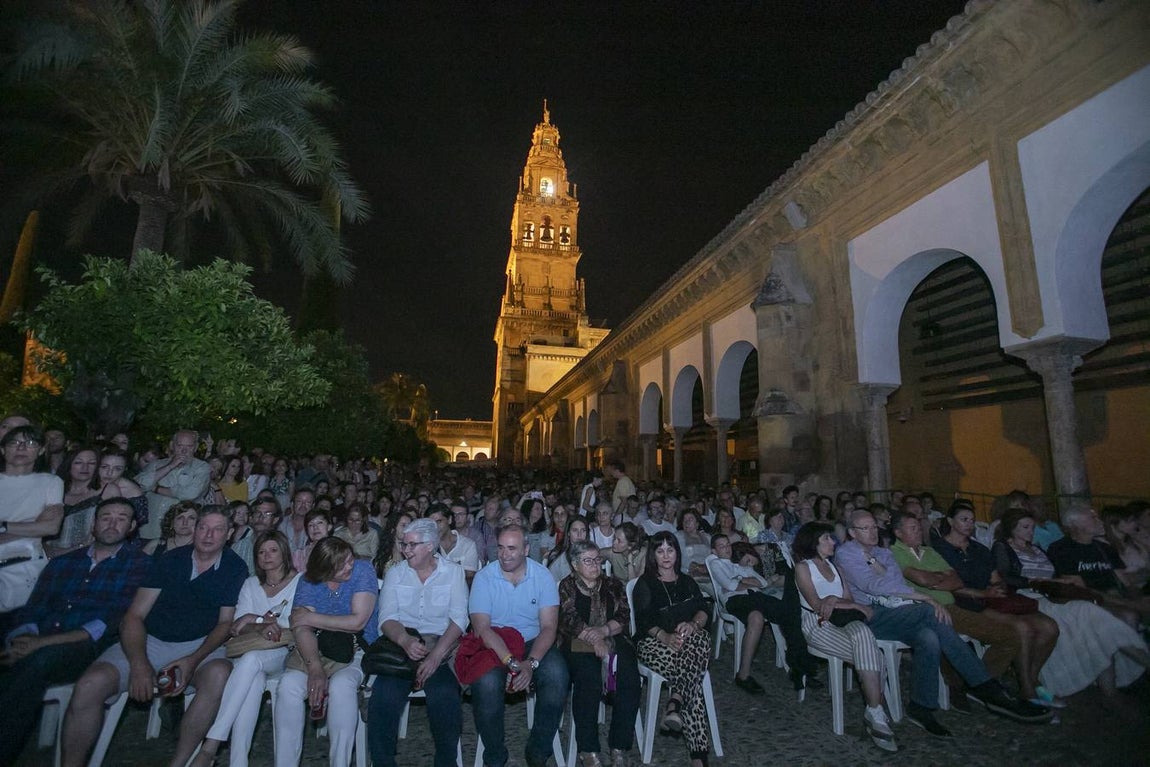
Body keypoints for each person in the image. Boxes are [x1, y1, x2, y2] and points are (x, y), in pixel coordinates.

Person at [835, 509, 1051, 736]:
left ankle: (921, 706)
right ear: (852, 533)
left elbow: (894, 582)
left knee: (929, 637)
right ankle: (987, 689)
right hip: (873, 615)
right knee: (930, 612)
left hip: (900, 610)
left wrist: (877, 566)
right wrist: (925, 597)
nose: (872, 532)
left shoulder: (884, 553)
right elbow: (872, 585)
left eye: (873, 527)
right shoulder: (846, 553)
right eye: (865, 528)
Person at [61, 505, 247, 767]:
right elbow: (134, 616)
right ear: (194, 530)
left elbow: (224, 624)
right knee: (90, 684)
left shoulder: (235, 568)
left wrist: (193, 660)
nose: (208, 535)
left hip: (200, 644)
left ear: (229, 534)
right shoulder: (170, 560)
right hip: (152, 640)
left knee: (218, 675)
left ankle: (180, 762)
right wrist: (139, 664)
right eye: (203, 527)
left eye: (218, 530)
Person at [0, 498, 151, 765]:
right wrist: (23, 637)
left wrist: (40, 644)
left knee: (38, 661)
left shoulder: (139, 566)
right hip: (39, 639)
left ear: (132, 526)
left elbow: (107, 623)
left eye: (121, 518)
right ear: (94, 524)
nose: (112, 523)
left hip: (86, 647)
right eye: (105, 517)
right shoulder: (63, 563)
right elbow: (35, 607)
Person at [891, 511, 1056, 706]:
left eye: (919, 527)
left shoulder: (930, 552)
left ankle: (976, 681)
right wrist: (938, 579)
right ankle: (982, 684)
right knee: (1013, 634)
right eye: (913, 529)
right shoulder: (894, 553)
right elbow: (922, 579)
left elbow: (956, 580)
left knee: (1016, 634)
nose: (919, 532)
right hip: (933, 609)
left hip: (953, 605)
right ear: (898, 533)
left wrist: (935, 581)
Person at [992, 508, 1148, 696]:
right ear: (1012, 529)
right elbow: (1005, 577)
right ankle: (1137, 667)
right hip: (1029, 598)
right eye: (1025, 527)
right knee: (1091, 612)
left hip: (1053, 596)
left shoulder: (1037, 548)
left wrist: (1057, 583)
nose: (1031, 531)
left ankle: (1114, 685)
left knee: (1097, 618)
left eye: (1032, 527)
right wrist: (1040, 582)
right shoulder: (1003, 547)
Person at [190, 531, 300, 767]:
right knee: (252, 680)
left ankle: (211, 744)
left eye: (272, 550)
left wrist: (256, 620)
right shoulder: (251, 584)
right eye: (261, 552)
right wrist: (262, 623)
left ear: (284, 552)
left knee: (250, 661)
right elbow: (238, 625)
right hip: (253, 656)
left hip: (285, 653)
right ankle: (237, 762)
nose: (266, 556)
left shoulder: (299, 582)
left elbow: (294, 622)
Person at [468, 524, 569, 767]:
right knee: (486, 682)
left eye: (512, 548)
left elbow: (548, 627)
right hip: (495, 643)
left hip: (532, 640)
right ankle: (494, 752)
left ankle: (538, 749)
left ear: (526, 549)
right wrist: (511, 662)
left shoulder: (542, 576)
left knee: (557, 675)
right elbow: (482, 628)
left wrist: (531, 663)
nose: (504, 554)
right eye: (500, 547)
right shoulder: (484, 578)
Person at [368, 518, 467, 767]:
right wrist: (404, 640)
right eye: (404, 544)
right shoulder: (396, 573)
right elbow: (387, 618)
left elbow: (459, 620)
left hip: (440, 646)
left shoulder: (453, 572)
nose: (406, 550)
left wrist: (435, 656)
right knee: (383, 697)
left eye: (412, 545)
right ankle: (383, 762)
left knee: (445, 697)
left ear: (431, 546)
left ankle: (445, 762)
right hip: (402, 648)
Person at [792, 522, 896, 753]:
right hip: (818, 625)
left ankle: (874, 712)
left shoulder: (835, 567)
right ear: (814, 542)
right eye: (827, 539)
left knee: (862, 633)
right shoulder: (803, 567)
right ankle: (876, 713)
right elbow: (816, 604)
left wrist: (833, 600)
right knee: (874, 656)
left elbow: (850, 600)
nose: (833, 542)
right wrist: (831, 599)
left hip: (843, 621)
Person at [274, 537, 378, 767]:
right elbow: (301, 629)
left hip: (356, 647)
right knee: (289, 687)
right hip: (317, 649)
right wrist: (315, 668)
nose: (349, 566)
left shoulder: (363, 570)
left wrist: (312, 618)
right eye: (341, 565)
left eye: (350, 559)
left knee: (342, 686)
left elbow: (358, 622)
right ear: (324, 571)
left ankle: (339, 762)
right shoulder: (308, 581)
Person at [631, 531, 712, 767]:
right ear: (653, 555)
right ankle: (699, 757)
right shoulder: (645, 584)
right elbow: (644, 622)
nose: (666, 555)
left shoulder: (687, 582)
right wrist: (665, 637)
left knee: (700, 638)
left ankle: (675, 700)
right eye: (660, 550)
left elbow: (704, 610)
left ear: (677, 553)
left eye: (670, 549)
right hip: (653, 643)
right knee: (692, 674)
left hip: (688, 643)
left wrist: (693, 624)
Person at [558, 539, 640, 767]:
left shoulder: (612, 584)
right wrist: (594, 639)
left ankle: (619, 745)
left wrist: (603, 632)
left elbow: (623, 616)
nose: (595, 565)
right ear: (575, 564)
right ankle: (588, 749)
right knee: (589, 677)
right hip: (577, 640)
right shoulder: (567, 586)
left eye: (597, 560)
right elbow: (569, 619)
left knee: (629, 676)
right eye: (588, 561)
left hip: (611, 636)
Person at [707, 534, 815, 693]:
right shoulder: (716, 564)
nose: (727, 549)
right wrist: (744, 581)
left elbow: (762, 582)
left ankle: (743, 676)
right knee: (790, 612)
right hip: (734, 601)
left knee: (760, 618)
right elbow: (730, 585)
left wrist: (741, 580)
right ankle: (800, 665)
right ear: (714, 551)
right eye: (722, 546)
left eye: (728, 544)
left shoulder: (740, 564)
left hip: (754, 597)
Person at [0, 425, 66, 622]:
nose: (21, 448)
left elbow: (51, 527)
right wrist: (34, 524)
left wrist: (4, 526)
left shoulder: (51, 482)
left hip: (27, 569)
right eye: (14, 442)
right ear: (3, 449)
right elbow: (41, 526)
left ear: (41, 450)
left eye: (30, 443)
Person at [135, 430, 211, 541]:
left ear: (195, 447)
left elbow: (190, 494)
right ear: (172, 445)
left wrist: (156, 488)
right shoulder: (157, 464)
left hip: (181, 535)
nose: (184, 450)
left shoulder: (202, 467)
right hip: (149, 530)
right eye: (180, 445)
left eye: (189, 446)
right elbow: (139, 484)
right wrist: (170, 466)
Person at [433, 502, 480, 578]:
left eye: (439, 521)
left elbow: (470, 575)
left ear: (449, 520)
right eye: (432, 523)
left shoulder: (468, 544)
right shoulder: (428, 545)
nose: (436, 526)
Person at [291, 508, 333, 572]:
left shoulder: (338, 550)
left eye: (320, 523)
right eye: (310, 525)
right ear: (307, 531)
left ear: (329, 527)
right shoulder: (298, 556)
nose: (315, 527)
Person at [549, 516, 590, 582]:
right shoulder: (560, 560)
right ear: (568, 533)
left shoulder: (592, 554)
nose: (579, 534)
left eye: (583, 530)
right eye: (575, 530)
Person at [278, 487, 316, 555]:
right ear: (292, 504)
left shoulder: (316, 527)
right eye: (299, 501)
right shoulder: (280, 523)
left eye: (308, 502)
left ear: (313, 506)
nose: (303, 505)